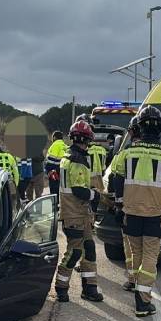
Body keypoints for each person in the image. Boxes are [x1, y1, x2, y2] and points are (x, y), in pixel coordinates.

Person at [112, 106, 161, 317]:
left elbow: (117, 180)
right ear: (160, 128)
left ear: (139, 127)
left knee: (136, 253)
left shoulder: (126, 152)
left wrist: (118, 206)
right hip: (155, 214)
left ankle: (136, 287)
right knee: (150, 255)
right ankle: (142, 301)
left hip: (131, 212)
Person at [53, 120, 104, 303]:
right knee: (74, 251)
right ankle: (61, 287)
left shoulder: (69, 156)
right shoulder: (77, 160)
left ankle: (90, 288)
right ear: (87, 140)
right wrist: (96, 195)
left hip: (80, 214)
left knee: (89, 249)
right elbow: (79, 190)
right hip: (74, 214)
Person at [109, 115, 141, 291]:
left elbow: (114, 178)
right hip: (154, 209)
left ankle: (133, 278)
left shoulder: (124, 154)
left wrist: (117, 204)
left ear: (131, 132)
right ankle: (144, 282)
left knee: (130, 245)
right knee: (149, 248)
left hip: (130, 207)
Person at [45, 131, 67, 196]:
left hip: (54, 173)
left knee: (54, 193)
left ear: (54, 137)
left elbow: (50, 160)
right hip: (63, 172)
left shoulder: (55, 145)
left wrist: (48, 171)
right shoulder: (65, 146)